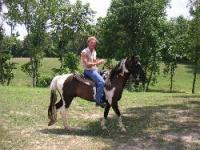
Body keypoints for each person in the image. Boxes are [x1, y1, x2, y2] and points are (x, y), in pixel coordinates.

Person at [81, 36, 106, 108]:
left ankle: (104, 96)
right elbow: (87, 64)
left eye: (94, 43)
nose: (93, 44)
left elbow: (94, 62)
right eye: (91, 43)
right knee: (101, 82)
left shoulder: (94, 51)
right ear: (88, 43)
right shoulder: (84, 52)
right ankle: (98, 101)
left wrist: (98, 63)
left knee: (106, 76)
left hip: (94, 70)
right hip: (88, 71)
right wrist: (98, 63)